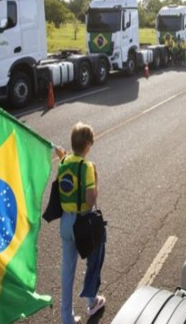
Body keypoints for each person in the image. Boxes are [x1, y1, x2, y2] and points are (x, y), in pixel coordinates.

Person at [54, 122, 106, 324]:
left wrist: (62, 155)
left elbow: (66, 160)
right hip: (83, 222)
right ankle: (92, 303)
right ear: (87, 145)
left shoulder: (64, 162)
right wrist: (97, 178)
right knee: (93, 262)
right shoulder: (87, 167)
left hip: (66, 223)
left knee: (67, 270)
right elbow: (91, 199)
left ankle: (66, 317)